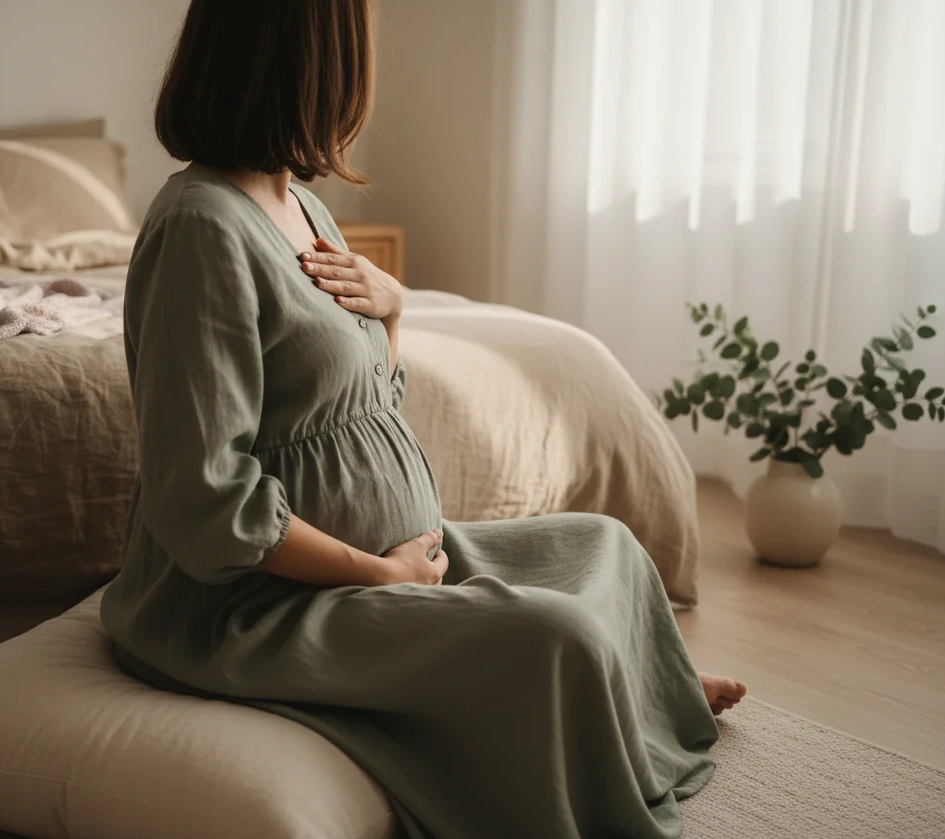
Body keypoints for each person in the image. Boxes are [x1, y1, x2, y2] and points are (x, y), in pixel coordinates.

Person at [101, 0, 746, 836]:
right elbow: (202, 499)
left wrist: (395, 316)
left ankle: (636, 703)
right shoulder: (201, 228)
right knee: (550, 635)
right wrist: (377, 577)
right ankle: (618, 706)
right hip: (258, 605)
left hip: (388, 561)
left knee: (606, 547)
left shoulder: (299, 205)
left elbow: (358, 407)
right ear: (307, 63)